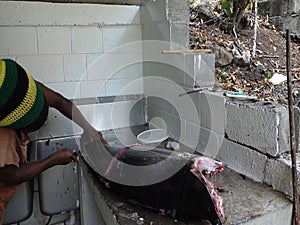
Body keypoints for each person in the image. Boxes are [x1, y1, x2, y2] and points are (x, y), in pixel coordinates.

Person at [0, 58, 107, 224]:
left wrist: (89, 129)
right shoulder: (3, 138)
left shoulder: (22, 87)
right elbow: (12, 176)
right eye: (30, 130)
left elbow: (58, 101)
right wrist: (53, 160)